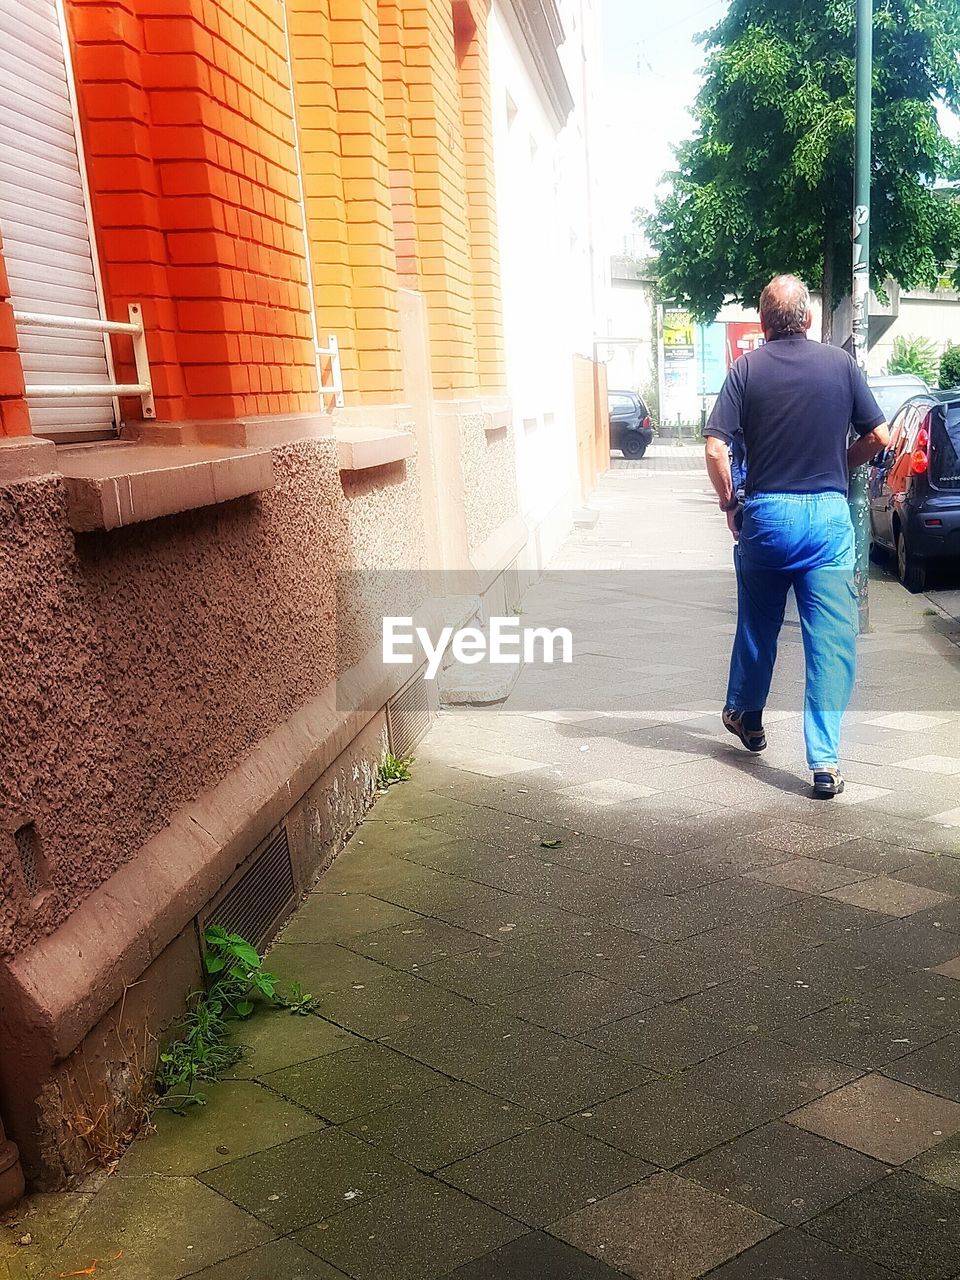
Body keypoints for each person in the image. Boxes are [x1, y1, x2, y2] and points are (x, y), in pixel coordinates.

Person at [704, 275, 890, 798]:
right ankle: (825, 762)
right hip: (828, 523)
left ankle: (746, 713)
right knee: (830, 642)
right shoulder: (840, 365)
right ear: (807, 318)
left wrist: (729, 502)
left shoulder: (745, 370)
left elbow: (716, 449)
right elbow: (881, 436)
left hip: (767, 516)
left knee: (758, 624)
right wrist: (841, 462)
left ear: (763, 324)